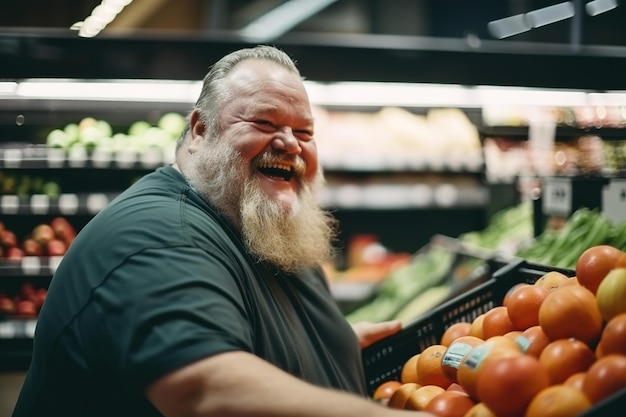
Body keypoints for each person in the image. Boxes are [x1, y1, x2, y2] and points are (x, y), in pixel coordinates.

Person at [12, 45, 434, 417]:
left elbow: (238, 330)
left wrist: (333, 347)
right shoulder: (159, 236)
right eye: (264, 123)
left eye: (304, 131)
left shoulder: (263, 225)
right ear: (200, 130)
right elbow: (206, 391)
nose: (290, 143)